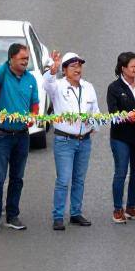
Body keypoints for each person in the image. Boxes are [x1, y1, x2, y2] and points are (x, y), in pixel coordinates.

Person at [0, 43, 39, 233]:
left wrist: (33, 116)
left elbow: (35, 104)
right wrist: (6, 64)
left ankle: (12, 215)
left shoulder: (31, 79)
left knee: (17, 178)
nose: (26, 61)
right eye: (22, 58)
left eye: (27, 59)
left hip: (22, 136)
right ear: (11, 60)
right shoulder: (2, 74)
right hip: (1, 135)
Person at [44, 52, 100, 231]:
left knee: (79, 179)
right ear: (65, 70)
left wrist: (91, 122)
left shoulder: (88, 87)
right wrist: (52, 70)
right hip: (64, 141)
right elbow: (47, 84)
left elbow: (97, 112)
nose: (77, 69)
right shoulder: (58, 86)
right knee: (63, 179)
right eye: (73, 66)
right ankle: (58, 216)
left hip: (84, 141)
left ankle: (75, 213)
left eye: (79, 66)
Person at [106, 52, 135, 224]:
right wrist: (126, 116)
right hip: (121, 137)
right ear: (123, 68)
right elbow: (112, 113)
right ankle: (118, 209)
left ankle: (131, 207)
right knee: (121, 172)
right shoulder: (114, 88)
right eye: (133, 66)